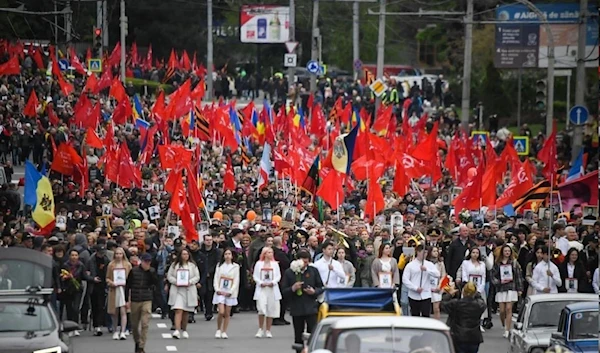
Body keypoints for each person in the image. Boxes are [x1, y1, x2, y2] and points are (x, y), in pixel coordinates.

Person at [281, 250, 324, 353]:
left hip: (311, 307)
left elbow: (320, 287)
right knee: (298, 335)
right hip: (297, 308)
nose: (304, 264)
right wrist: (293, 288)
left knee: (312, 334)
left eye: (306, 262)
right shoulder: (290, 272)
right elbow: (284, 291)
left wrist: (314, 292)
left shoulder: (313, 271)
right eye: (303, 262)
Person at [126, 253, 159, 353]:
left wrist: (150, 272)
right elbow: (128, 285)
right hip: (135, 299)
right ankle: (137, 341)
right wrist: (127, 300)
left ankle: (141, 345)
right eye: (145, 261)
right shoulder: (134, 271)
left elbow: (156, 283)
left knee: (145, 323)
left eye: (149, 262)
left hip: (146, 298)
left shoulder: (152, 271)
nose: (147, 263)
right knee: (135, 325)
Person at [442, 282, 487, 353]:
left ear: (463, 292)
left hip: (459, 336)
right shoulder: (479, 305)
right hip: (474, 337)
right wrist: (476, 292)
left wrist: (449, 294)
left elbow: (442, 304)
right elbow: (482, 301)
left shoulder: (456, 304)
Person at [167, 248, 200, 339]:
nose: (185, 256)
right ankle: (177, 330)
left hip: (188, 290)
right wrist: (176, 281)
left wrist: (190, 282)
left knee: (185, 312)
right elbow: (169, 276)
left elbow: (197, 277)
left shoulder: (192, 266)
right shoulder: (174, 265)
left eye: (187, 254)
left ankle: (184, 329)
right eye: (183, 254)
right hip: (177, 290)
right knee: (178, 310)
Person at [491, 245, 523, 338]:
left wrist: (520, 289)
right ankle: (503, 323)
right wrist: (498, 282)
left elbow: (518, 276)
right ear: (502, 252)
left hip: (511, 287)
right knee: (502, 310)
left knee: (509, 309)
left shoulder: (514, 263)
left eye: (509, 251)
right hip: (501, 288)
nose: (507, 253)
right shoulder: (497, 263)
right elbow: (493, 276)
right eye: (505, 251)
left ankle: (507, 330)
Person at [401, 244, 440, 317]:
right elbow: (405, 279)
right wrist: (415, 288)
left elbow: (437, 274)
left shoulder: (429, 264)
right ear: (418, 252)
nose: (424, 255)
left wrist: (427, 270)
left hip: (426, 295)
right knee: (415, 315)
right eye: (423, 252)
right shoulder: (410, 265)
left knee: (426, 315)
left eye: (426, 253)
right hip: (413, 295)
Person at [253, 247, 282, 338]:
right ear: (264, 254)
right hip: (262, 289)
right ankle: (260, 328)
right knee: (261, 308)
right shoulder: (258, 264)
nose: (270, 254)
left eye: (271, 252)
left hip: (272, 289)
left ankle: (268, 330)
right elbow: (255, 276)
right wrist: (260, 282)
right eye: (268, 252)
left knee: (271, 310)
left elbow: (278, 276)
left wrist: (272, 282)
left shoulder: (275, 264)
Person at [213, 248, 241, 339]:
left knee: (227, 313)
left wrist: (231, 291)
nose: (227, 256)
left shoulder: (236, 266)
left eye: (229, 254)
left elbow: (236, 280)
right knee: (221, 312)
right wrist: (217, 289)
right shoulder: (219, 265)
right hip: (220, 291)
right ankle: (218, 329)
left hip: (230, 292)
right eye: (226, 254)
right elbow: (216, 278)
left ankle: (224, 331)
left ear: (232, 256)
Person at [106, 247, 132, 340]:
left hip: (124, 290)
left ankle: (123, 331)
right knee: (114, 312)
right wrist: (111, 283)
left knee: (123, 310)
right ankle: (115, 331)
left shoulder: (127, 265)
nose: (118, 255)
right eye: (117, 254)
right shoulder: (111, 265)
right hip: (114, 290)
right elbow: (107, 278)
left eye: (120, 254)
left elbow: (131, 278)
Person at [60, 249, 88, 336]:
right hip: (68, 289)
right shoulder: (65, 265)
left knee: (76, 308)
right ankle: (69, 328)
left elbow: (84, 276)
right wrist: (64, 278)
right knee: (69, 309)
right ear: (69, 256)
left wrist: (92, 278)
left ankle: (75, 326)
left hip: (77, 289)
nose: (74, 257)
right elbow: (61, 276)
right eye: (72, 255)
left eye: (76, 255)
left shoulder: (81, 265)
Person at [426, 246, 446, 320]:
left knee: (436, 308)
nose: (436, 253)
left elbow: (443, 276)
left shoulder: (440, 263)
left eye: (437, 251)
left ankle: (437, 323)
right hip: (427, 287)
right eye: (434, 251)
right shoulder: (426, 263)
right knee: (426, 308)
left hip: (437, 286)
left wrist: (440, 286)